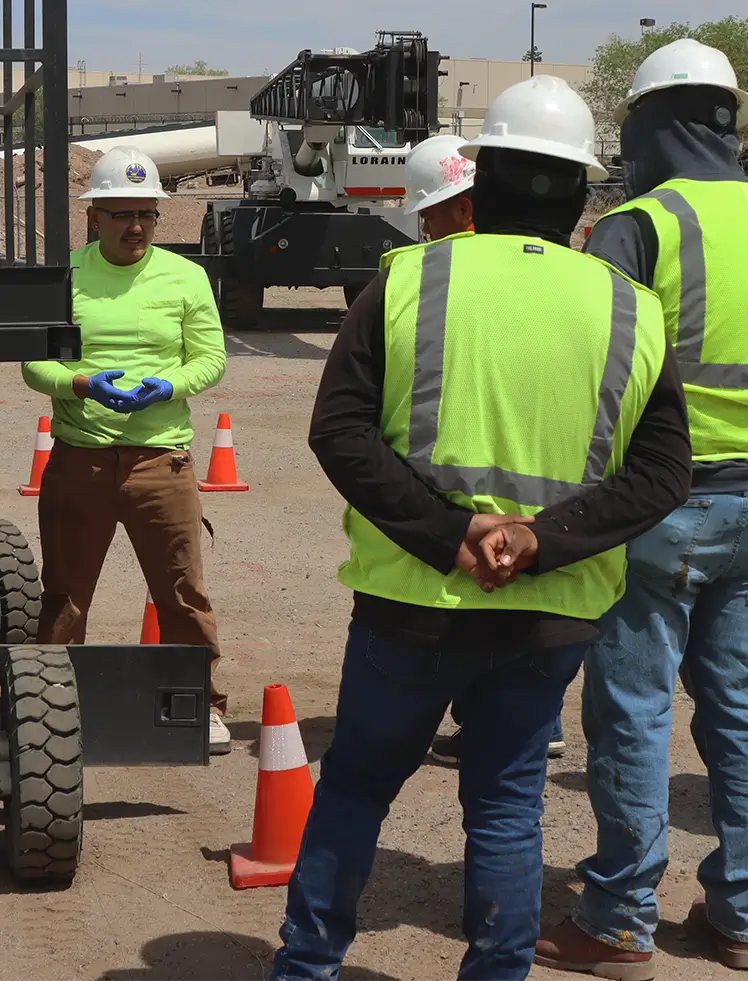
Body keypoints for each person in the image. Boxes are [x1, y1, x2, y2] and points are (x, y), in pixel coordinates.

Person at [271, 77, 693, 981]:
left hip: (409, 604)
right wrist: (541, 538)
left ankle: (306, 969)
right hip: (549, 615)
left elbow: (338, 429)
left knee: (354, 788)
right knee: (505, 805)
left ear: (482, 176)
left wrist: (448, 532)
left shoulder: (407, 279)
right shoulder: (630, 308)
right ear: (583, 193)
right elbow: (663, 472)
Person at [537, 39, 748, 977]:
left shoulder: (640, 226)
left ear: (656, 123)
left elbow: (592, 375)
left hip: (658, 509)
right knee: (741, 703)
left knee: (631, 707)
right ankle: (744, 913)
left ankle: (622, 916)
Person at [20, 146, 233, 755]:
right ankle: (50, 709)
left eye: (147, 213)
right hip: (79, 459)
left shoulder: (184, 277)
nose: (136, 225)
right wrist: (80, 383)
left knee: (182, 591)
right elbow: (35, 363)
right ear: (94, 217)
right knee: (65, 592)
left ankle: (204, 704)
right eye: (121, 214)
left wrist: (172, 385)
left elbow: (210, 358)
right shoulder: (64, 276)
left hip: (160, 463)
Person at [403, 133, 568, 768]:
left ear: (465, 210)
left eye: (430, 214)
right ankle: (529, 720)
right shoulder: (547, 271)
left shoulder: (439, 284)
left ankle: (482, 721)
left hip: (468, 497)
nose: (424, 229)